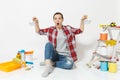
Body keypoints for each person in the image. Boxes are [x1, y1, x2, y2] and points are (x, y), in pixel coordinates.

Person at [32, 12, 87, 77]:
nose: (57, 20)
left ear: (62, 19)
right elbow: (39, 31)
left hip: (64, 56)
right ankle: (47, 68)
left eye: (59, 18)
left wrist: (82, 20)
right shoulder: (51, 29)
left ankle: (51, 63)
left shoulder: (68, 28)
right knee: (48, 44)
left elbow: (80, 30)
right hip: (54, 54)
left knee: (70, 64)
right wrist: (36, 22)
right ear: (54, 20)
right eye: (55, 19)